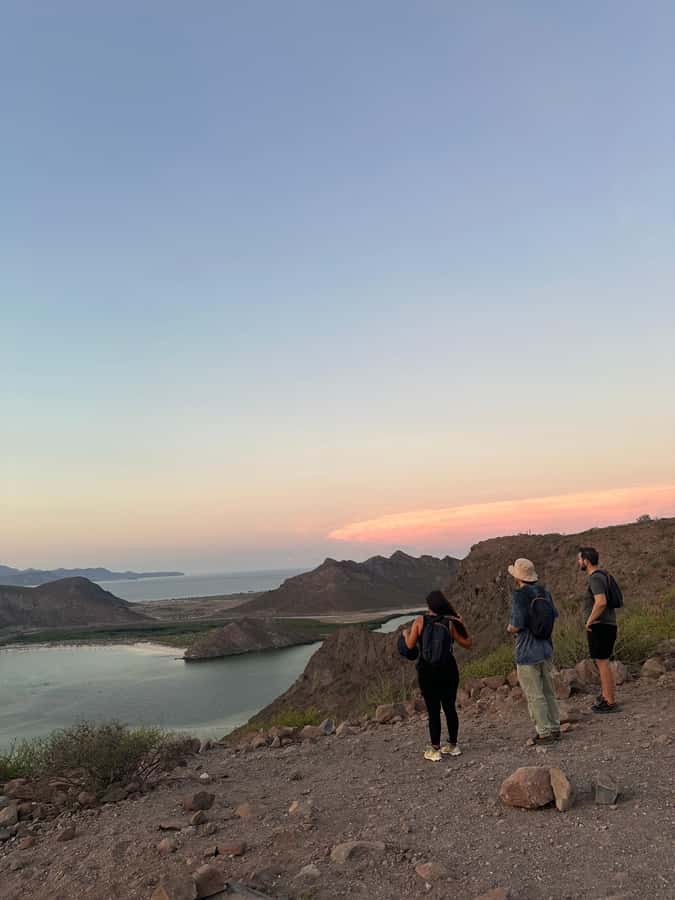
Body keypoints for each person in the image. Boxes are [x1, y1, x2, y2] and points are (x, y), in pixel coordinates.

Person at [403, 590, 472, 762]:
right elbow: (468, 644)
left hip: (427, 672)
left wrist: (405, 634)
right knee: (449, 707)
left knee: (433, 710)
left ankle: (435, 749)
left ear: (429, 606)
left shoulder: (420, 621)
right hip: (449, 670)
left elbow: (410, 646)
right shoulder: (449, 622)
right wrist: (463, 624)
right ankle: (453, 745)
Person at [506, 558, 561, 744]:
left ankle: (543, 731)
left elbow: (516, 625)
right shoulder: (544, 592)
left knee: (534, 694)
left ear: (518, 578)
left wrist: (509, 628)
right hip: (546, 648)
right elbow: (554, 615)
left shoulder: (519, 596)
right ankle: (555, 727)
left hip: (527, 651)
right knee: (549, 691)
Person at [577, 547, 618, 713]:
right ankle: (607, 696)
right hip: (607, 625)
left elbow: (600, 602)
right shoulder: (603, 575)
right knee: (603, 662)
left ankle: (609, 701)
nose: (578, 562)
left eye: (579, 559)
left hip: (600, 626)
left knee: (602, 663)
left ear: (586, 561)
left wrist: (589, 621)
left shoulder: (595, 578)